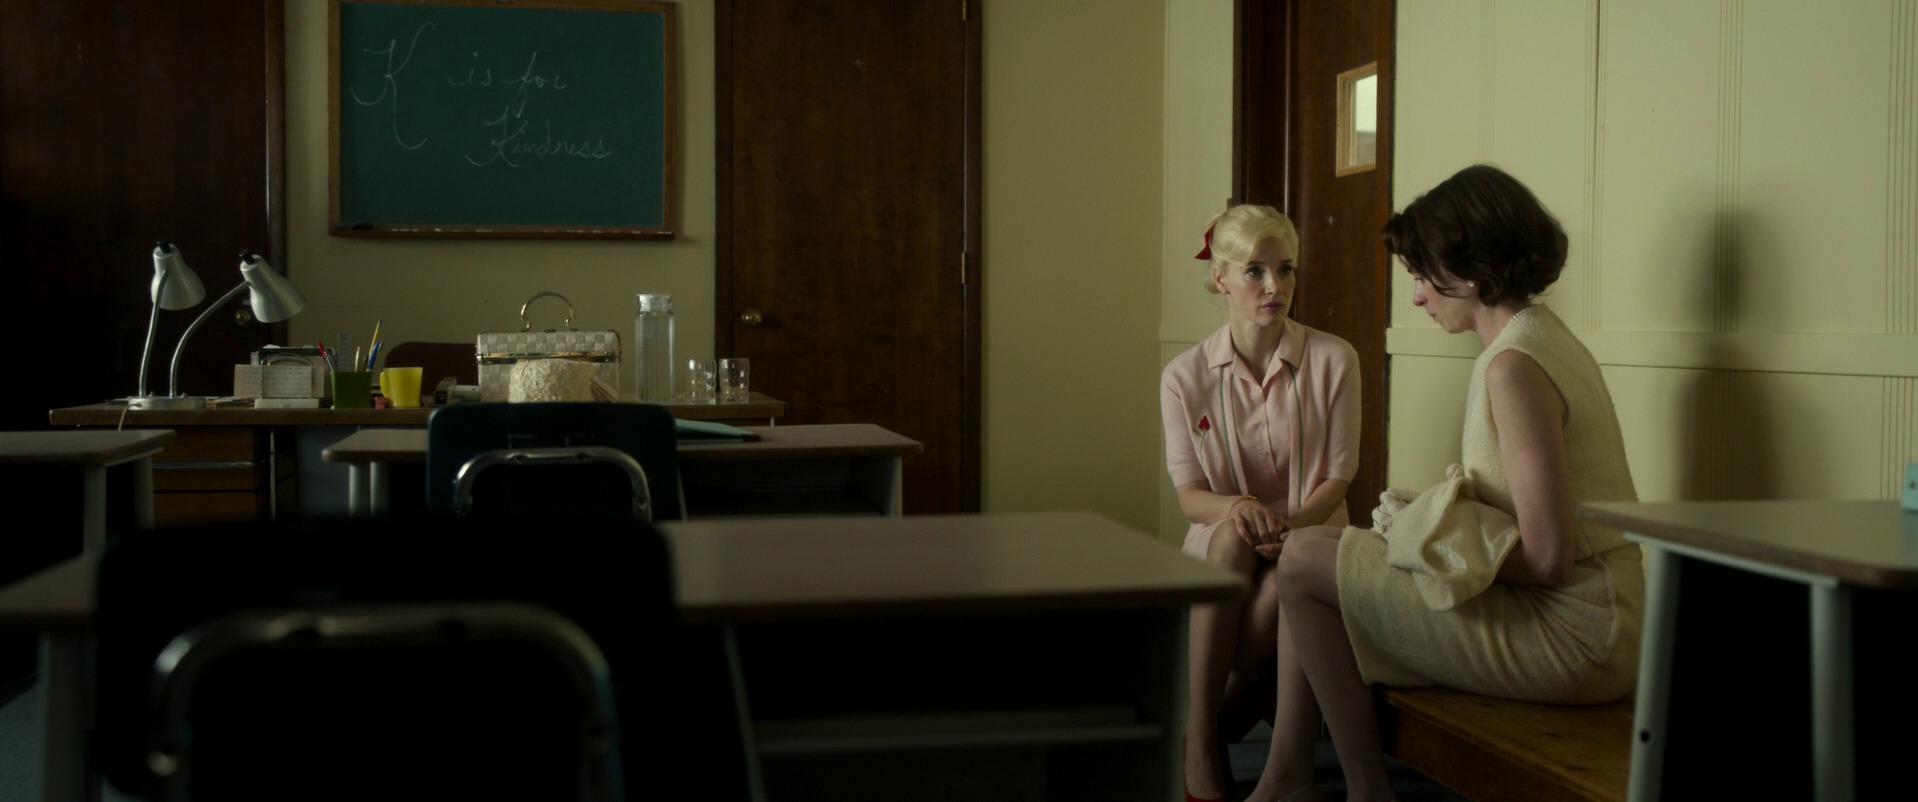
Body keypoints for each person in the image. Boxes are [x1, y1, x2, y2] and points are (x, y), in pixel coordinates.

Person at [1241, 165, 1642, 802]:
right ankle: (1292, 773)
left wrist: (1425, 545)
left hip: (1579, 633)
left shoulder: (1514, 367)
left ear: (1470, 272)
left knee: (1304, 560)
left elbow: (1549, 557)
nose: (1418, 296)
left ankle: (1350, 788)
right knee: (1310, 553)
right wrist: (1424, 531)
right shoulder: (1536, 339)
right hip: (1593, 613)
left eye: (1422, 275)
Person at [1159, 204, 1362, 802]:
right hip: (1221, 537)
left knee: (1279, 588)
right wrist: (1240, 508)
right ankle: (1207, 736)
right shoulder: (1183, 376)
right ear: (1220, 279)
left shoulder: (1335, 359)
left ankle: (1204, 733)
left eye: (1286, 269)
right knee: (1230, 536)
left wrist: (1291, 528)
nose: (1275, 286)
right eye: (1255, 271)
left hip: (1312, 530)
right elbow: (1190, 498)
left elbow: (1340, 475)